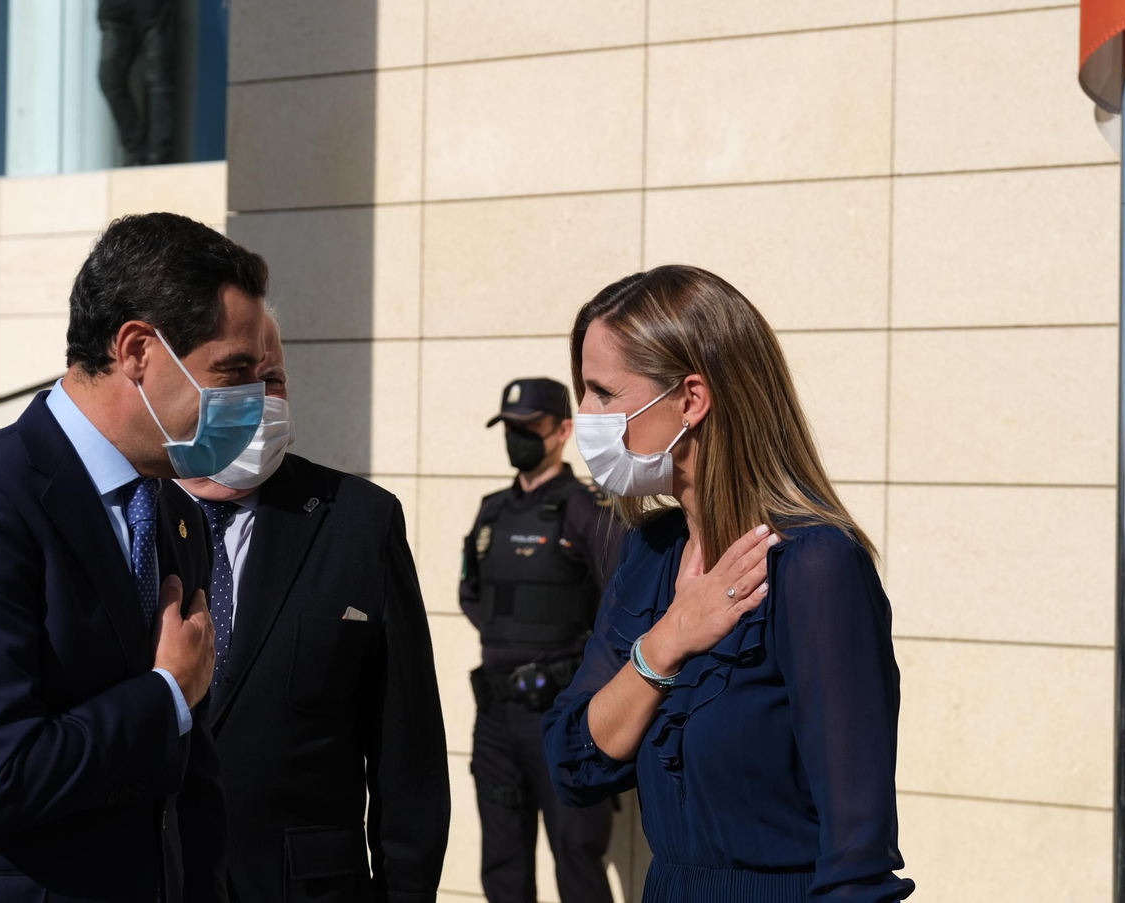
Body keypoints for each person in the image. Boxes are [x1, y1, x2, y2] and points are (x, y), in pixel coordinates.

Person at [0, 212, 273, 903]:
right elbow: (0, 773)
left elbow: (189, 785)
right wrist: (165, 691)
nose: (251, 404)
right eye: (231, 373)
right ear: (138, 349)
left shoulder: (175, 515)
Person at [542, 265, 915, 902]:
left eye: (603, 393)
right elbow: (575, 762)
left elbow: (857, 852)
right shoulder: (650, 555)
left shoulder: (814, 565)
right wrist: (668, 641)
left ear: (691, 399)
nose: (586, 417)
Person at [177, 318, 450, 903]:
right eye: (237, 376)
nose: (263, 398)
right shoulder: (128, 518)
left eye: (273, 379)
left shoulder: (359, 520)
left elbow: (409, 750)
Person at [462, 378, 624, 903]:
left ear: (562, 432)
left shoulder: (585, 509)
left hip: (563, 713)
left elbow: (623, 605)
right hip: (495, 716)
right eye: (510, 428)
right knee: (503, 868)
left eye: (528, 428)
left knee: (578, 861)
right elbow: (472, 595)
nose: (517, 439)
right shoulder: (492, 511)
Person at [99, 0, 177, 166]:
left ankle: (157, 156)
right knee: (110, 80)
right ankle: (135, 151)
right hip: (116, 9)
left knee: (159, 81)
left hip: (153, 7)